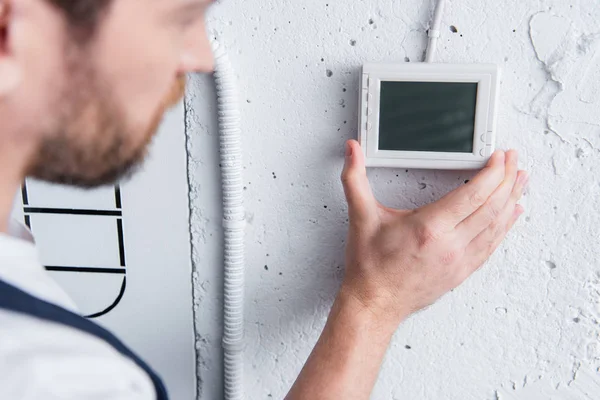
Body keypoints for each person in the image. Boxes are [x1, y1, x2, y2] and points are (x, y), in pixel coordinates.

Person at [0, 0, 528, 399]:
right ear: (9, 29)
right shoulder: (48, 371)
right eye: (178, 20)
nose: (201, 58)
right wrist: (375, 305)